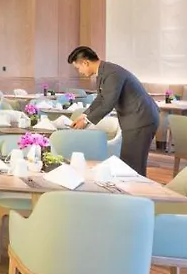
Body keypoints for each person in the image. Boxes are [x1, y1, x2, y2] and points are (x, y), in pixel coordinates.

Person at [67, 46, 159, 176]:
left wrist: (87, 121)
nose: (79, 72)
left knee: (134, 165)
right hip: (134, 119)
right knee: (128, 164)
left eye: (78, 68)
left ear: (85, 63)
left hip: (141, 119)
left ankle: (138, 189)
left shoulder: (112, 73)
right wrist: (84, 115)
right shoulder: (103, 72)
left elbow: (108, 104)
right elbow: (101, 98)